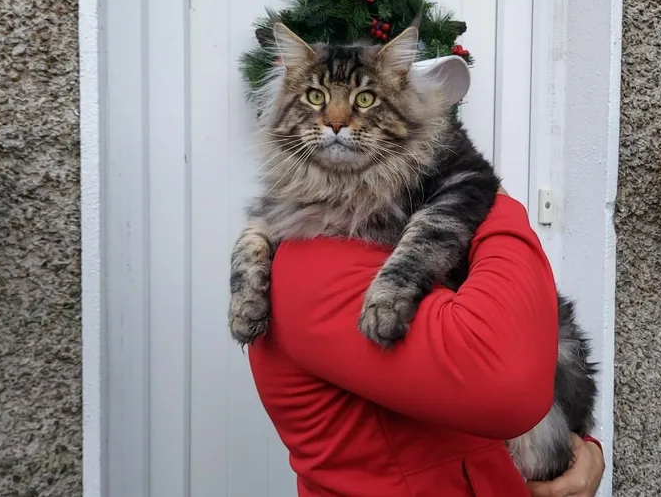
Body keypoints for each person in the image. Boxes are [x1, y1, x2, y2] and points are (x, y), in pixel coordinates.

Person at [248, 190, 605, 496]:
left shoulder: (404, 235)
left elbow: (529, 334)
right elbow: (507, 384)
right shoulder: (318, 265)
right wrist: (487, 195)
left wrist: (580, 450)